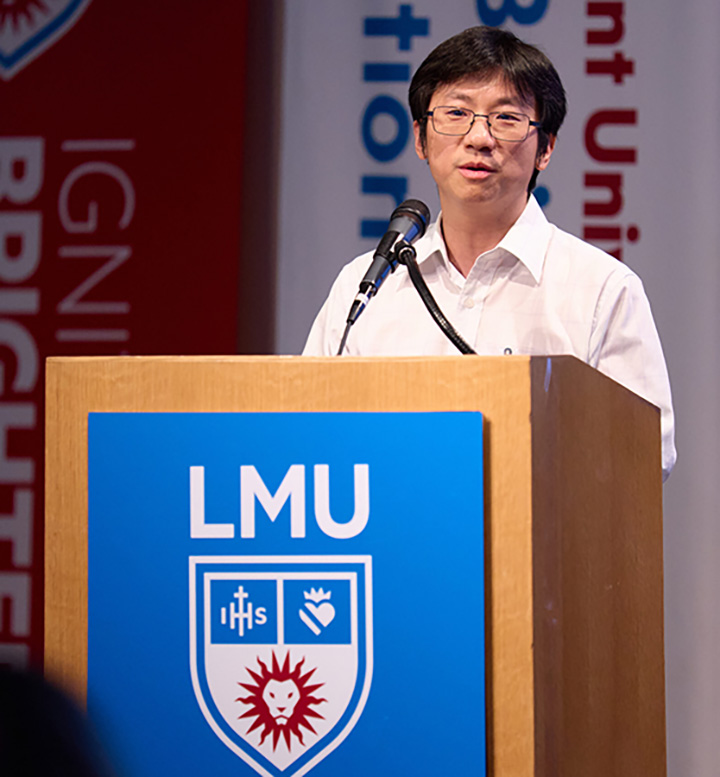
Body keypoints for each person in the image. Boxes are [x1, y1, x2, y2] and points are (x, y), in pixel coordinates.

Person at [303, 26, 676, 480]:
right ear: (420, 138)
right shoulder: (365, 286)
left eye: (506, 118)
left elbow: (644, 458)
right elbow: (310, 433)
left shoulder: (601, 291)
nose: (480, 138)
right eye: (457, 113)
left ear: (546, 149)